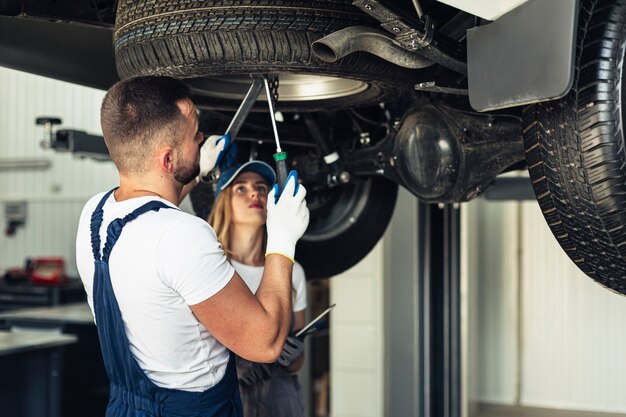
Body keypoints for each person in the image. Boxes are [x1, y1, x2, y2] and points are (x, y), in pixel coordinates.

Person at [75, 75, 309, 417]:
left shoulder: (96, 213)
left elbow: (152, 215)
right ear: (168, 161)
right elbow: (266, 344)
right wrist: (283, 239)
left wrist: (198, 171)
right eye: (194, 136)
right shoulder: (184, 235)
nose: (201, 139)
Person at [207, 161, 307, 417]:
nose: (255, 194)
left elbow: (297, 364)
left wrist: (292, 353)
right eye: (241, 189)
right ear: (223, 202)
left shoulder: (291, 270)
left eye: (261, 188)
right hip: (225, 399)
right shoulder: (210, 267)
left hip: (279, 401)